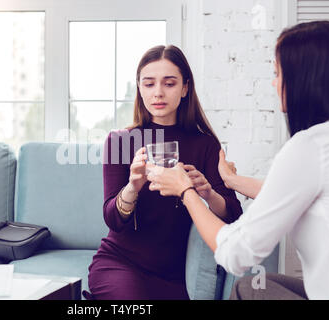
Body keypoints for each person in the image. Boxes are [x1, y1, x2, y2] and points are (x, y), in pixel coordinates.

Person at [146, 20, 329, 299]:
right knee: (255, 286)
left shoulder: (309, 147)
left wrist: (185, 191)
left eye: (277, 73)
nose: (274, 82)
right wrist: (230, 180)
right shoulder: (325, 145)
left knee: (249, 290)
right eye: (149, 83)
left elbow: (236, 254)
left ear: (302, 79)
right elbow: (292, 193)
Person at [84, 45, 243, 300]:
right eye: (148, 84)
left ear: (185, 88)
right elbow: (112, 220)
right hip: (120, 264)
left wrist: (208, 193)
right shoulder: (120, 141)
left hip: (174, 275)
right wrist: (132, 187)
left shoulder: (205, 145)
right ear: (139, 88)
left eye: (169, 84)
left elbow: (234, 215)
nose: (158, 93)